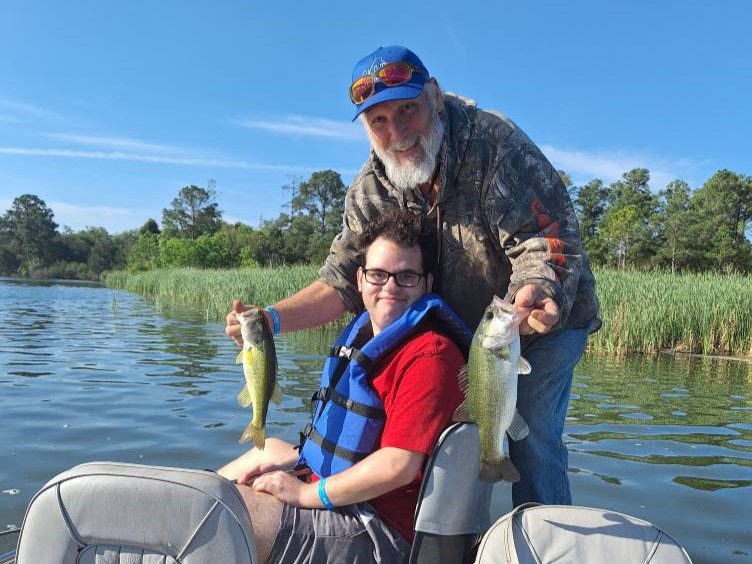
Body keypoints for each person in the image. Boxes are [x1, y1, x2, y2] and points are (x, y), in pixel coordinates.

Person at [226, 45, 600, 509]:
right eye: (378, 121)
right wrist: (266, 322)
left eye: (408, 110)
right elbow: (342, 279)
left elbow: (545, 236)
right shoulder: (372, 187)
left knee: (531, 437)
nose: (397, 133)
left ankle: (549, 545)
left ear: (435, 97)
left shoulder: (496, 144)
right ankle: (448, 539)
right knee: (445, 445)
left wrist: (538, 291)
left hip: (534, 325)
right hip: (450, 329)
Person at [220, 210, 470, 563]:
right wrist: (293, 466)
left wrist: (303, 494)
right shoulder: (365, 336)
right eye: (378, 275)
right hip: (342, 490)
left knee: (221, 515)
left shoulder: (430, 355)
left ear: (427, 283)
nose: (390, 288)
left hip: (379, 529)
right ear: (361, 279)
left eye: (406, 276)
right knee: (255, 459)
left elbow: (398, 465)